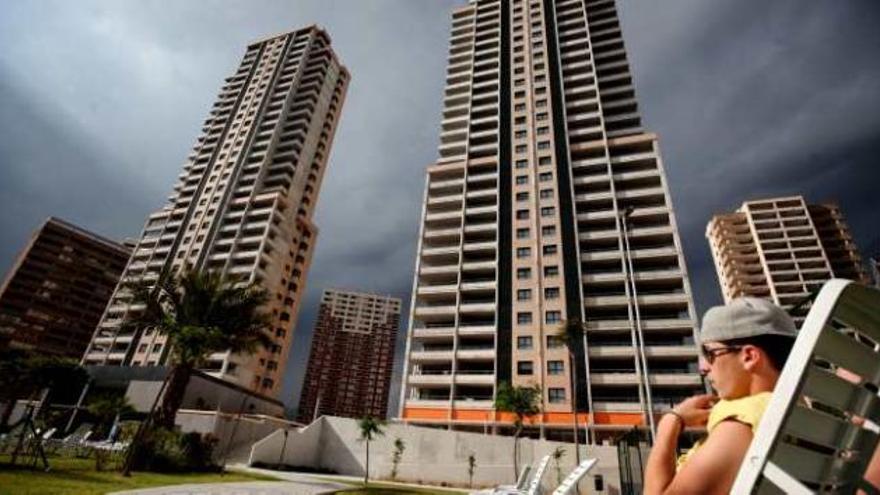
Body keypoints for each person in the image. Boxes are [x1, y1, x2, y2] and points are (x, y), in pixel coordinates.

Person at [644, 297, 797, 495]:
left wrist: (670, 422)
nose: (702, 367)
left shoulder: (741, 425)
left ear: (749, 356)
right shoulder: (794, 411)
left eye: (710, 353)